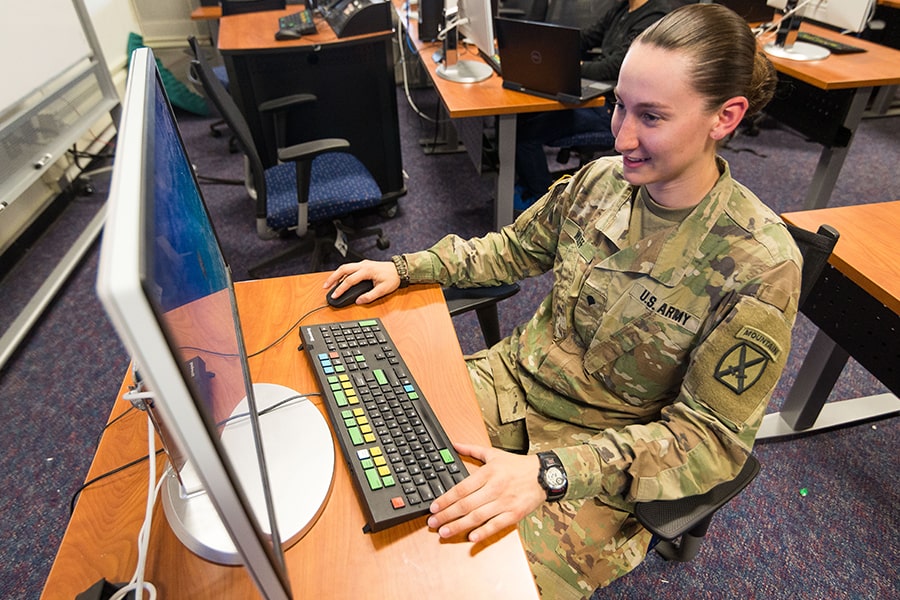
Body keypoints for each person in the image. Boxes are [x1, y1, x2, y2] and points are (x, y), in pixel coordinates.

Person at [324, 4, 799, 598]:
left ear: (724, 118)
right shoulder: (600, 181)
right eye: (620, 105)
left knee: (462, 583)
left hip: (600, 463)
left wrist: (552, 473)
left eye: (650, 116)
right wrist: (404, 266)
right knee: (359, 460)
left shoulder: (760, 263)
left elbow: (711, 441)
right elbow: (510, 250)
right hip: (510, 384)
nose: (620, 135)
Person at [515, 0, 680, 206]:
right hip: (597, 94)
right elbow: (585, 38)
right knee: (523, 118)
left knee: (525, 134)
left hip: (614, 108)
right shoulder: (622, 8)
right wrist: (546, 47)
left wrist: (569, 65)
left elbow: (614, 67)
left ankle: (542, 204)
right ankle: (528, 183)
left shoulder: (654, 18)